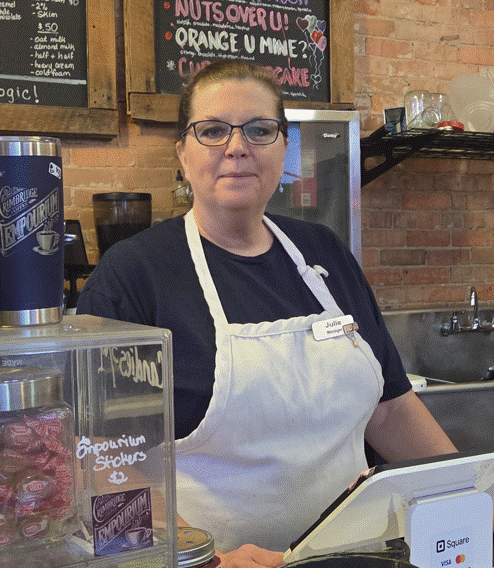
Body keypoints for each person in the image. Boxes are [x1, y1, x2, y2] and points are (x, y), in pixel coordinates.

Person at [77, 60, 456, 568]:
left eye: (260, 130)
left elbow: (390, 408)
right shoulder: (133, 275)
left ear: (283, 147)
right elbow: (97, 459)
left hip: (351, 555)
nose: (237, 147)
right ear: (182, 154)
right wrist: (198, 561)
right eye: (213, 130)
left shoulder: (324, 252)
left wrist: (466, 496)